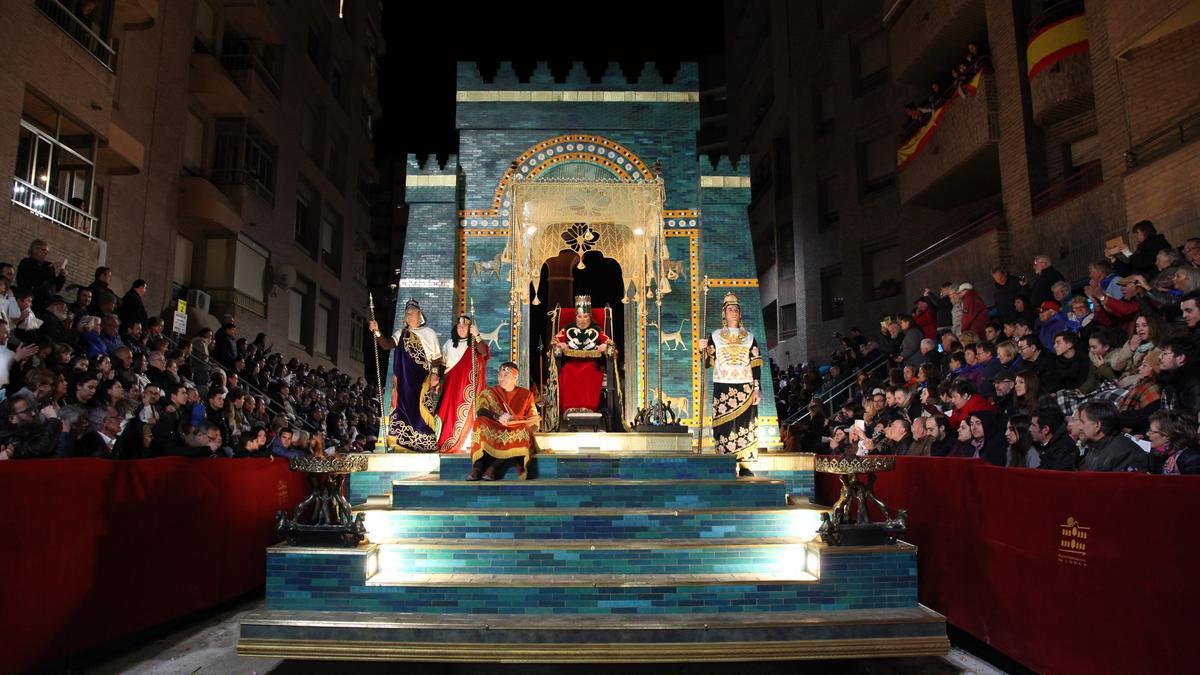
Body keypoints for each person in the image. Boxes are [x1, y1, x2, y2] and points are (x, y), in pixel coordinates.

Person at [699, 292, 763, 476]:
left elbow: (756, 363)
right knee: (724, 425)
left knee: (746, 424)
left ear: (740, 313)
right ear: (724, 314)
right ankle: (725, 462)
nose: (733, 312)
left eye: (736, 309)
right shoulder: (716, 336)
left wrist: (757, 388)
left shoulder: (750, 337)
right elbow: (706, 362)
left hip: (745, 386)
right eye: (730, 310)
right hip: (723, 385)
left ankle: (745, 465)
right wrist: (702, 349)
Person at [369, 298, 442, 452]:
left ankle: (424, 441)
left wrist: (435, 375)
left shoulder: (429, 333)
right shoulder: (401, 333)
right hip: (404, 380)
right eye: (407, 314)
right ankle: (404, 442)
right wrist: (377, 330)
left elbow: (436, 358)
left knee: (422, 409)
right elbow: (387, 344)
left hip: (422, 378)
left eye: (413, 313)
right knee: (403, 408)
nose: (410, 316)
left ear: (419, 315)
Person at [466, 361, 539, 481]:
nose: (501, 378)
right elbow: (481, 411)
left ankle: (492, 469)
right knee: (479, 421)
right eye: (499, 375)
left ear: (515, 378)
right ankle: (477, 468)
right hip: (495, 425)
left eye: (505, 375)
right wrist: (498, 417)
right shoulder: (489, 392)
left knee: (524, 431)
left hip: (515, 428)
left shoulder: (526, 394)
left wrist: (520, 422)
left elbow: (533, 418)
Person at [436, 314, 490, 453]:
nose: (461, 328)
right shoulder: (448, 344)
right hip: (452, 387)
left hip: (468, 387)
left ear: (469, 328)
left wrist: (477, 335)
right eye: (459, 326)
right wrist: (436, 380)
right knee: (449, 414)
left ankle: (467, 442)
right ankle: (450, 441)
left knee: (469, 413)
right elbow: (442, 366)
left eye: (465, 326)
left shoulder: (474, 345)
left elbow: (484, 352)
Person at [552, 295, 612, 416]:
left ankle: (587, 407)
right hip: (571, 363)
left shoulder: (597, 329)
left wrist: (605, 347)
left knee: (589, 372)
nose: (582, 320)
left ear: (589, 316)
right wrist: (560, 345)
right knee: (567, 371)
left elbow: (610, 344)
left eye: (585, 316)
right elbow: (554, 342)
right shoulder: (568, 328)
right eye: (580, 316)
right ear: (576, 317)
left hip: (591, 364)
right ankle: (569, 408)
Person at [1076, 400, 1149, 472]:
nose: (1080, 427)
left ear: (1097, 426)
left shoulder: (1125, 454)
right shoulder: (1095, 446)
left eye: (1083, 422)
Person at [17, 239, 66, 313]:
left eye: (47, 252)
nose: (46, 253)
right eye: (43, 250)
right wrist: (49, 269)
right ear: (34, 250)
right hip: (31, 302)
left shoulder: (48, 266)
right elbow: (36, 277)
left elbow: (56, 288)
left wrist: (61, 276)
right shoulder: (26, 263)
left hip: (46, 305)